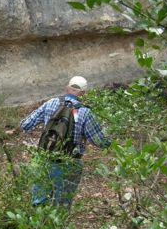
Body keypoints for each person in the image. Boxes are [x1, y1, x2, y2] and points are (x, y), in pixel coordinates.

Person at [20, 76, 111, 208]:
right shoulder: (85, 112)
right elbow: (101, 142)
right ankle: (57, 227)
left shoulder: (51, 103)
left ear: (67, 88)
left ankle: (39, 226)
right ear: (83, 93)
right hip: (69, 162)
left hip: (43, 158)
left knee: (39, 202)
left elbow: (26, 124)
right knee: (62, 203)